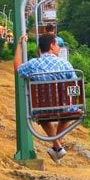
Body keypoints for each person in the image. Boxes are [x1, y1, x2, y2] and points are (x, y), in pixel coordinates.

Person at [14, 33, 77, 163]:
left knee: (43, 117)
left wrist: (20, 45)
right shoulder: (65, 64)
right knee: (69, 114)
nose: (59, 48)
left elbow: (17, 67)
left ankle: (57, 146)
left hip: (41, 109)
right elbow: (75, 83)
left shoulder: (32, 64)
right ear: (51, 46)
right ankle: (57, 146)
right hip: (64, 108)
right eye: (58, 45)